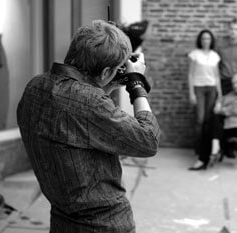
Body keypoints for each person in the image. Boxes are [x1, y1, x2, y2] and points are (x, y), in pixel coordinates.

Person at [16, 20, 160, 233]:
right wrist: (136, 83)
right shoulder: (90, 102)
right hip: (104, 223)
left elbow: (79, 123)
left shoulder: (35, 86)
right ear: (104, 72)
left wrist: (108, 83)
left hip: (62, 219)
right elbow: (148, 140)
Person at [187, 29, 222, 171]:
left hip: (212, 89)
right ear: (200, 40)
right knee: (200, 120)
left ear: (211, 40)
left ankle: (205, 152)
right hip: (199, 89)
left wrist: (220, 94)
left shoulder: (215, 56)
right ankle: (198, 151)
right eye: (203, 38)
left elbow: (217, 76)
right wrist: (191, 93)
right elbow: (190, 75)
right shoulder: (194, 54)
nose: (205, 41)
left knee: (208, 121)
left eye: (208, 38)